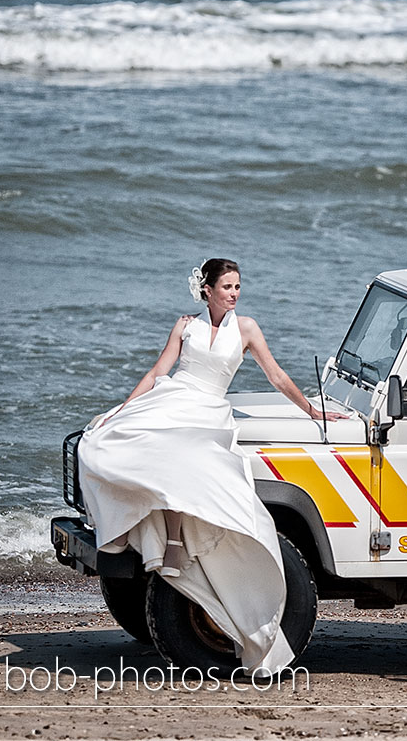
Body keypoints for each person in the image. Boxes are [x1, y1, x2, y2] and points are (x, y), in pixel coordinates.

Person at [77, 258, 344, 675]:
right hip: (175, 398)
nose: (235, 294)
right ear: (207, 290)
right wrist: (123, 410)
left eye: (238, 287)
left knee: (190, 454)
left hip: (208, 409)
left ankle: (177, 539)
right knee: (102, 442)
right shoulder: (185, 326)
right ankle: (148, 530)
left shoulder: (248, 328)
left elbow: (276, 376)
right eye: (227, 287)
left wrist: (313, 411)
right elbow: (158, 371)